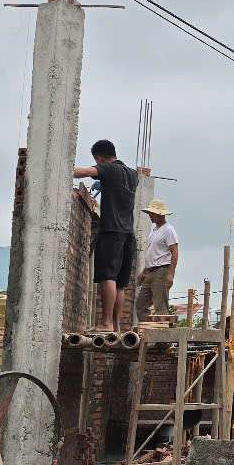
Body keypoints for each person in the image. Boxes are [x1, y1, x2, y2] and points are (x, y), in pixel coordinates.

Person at [74, 140, 138, 331]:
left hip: (112, 231)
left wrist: (60, 167)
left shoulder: (109, 169)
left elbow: (83, 172)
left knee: (107, 276)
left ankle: (106, 323)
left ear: (100, 158)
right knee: (120, 283)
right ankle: (116, 325)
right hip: (128, 234)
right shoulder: (133, 174)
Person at [135, 199, 179, 321]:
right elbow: (152, 254)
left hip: (162, 271)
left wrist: (171, 274)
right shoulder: (154, 231)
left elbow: (174, 252)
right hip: (150, 272)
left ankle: (162, 337)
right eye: (150, 213)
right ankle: (149, 331)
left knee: (160, 307)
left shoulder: (168, 230)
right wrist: (144, 272)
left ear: (160, 214)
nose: (150, 216)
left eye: (153, 213)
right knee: (141, 305)